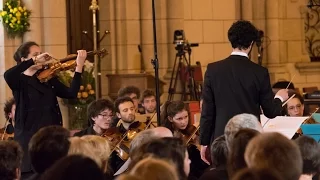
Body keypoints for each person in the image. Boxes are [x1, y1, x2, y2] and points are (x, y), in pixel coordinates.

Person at [199, 20, 289, 164]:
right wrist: (279, 98)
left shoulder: (213, 70)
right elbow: (270, 112)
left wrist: (204, 142)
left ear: (231, 40)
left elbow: (207, 111)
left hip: (221, 139)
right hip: (250, 140)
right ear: (252, 43)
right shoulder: (260, 72)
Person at [4, 41, 87, 179]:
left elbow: (70, 93)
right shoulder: (20, 80)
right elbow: (8, 75)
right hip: (29, 142)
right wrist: (35, 60)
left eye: (41, 53)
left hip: (50, 141)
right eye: (36, 54)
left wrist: (79, 67)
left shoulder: (47, 77)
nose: (41, 56)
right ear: (24, 59)